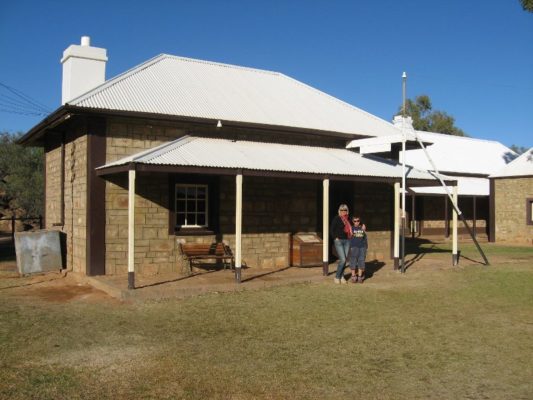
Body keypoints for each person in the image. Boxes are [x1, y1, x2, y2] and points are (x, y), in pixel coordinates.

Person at [330, 204, 352, 284]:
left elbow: (355, 224)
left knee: (345, 260)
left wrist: (362, 224)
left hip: (347, 241)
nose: (343, 212)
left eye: (345, 210)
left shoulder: (348, 219)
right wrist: (335, 238)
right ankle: (337, 277)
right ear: (339, 211)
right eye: (342, 210)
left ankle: (342, 277)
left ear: (347, 211)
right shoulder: (337, 218)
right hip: (339, 241)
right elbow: (332, 229)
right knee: (342, 259)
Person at [349, 216, 368, 283]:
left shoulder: (362, 227)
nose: (356, 222)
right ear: (353, 221)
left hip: (362, 247)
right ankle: (353, 276)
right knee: (353, 261)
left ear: (360, 221)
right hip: (354, 247)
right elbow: (349, 236)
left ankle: (360, 276)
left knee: (361, 261)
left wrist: (364, 230)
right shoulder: (351, 228)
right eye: (355, 221)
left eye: (358, 221)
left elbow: (365, 237)